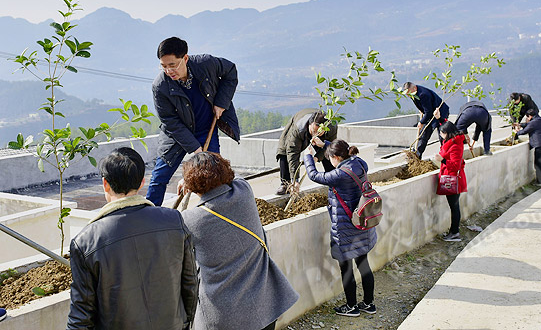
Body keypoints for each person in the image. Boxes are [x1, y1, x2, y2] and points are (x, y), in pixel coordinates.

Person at [67, 147, 198, 330]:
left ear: (105, 184)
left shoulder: (86, 242)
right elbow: (191, 286)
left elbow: (81, 316)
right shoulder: (174, 221)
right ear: (142, 182)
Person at [180, 152, 299, 330]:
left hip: (223, 316)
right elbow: (235, 178)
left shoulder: (191, 220)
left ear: (192, 185)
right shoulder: (244, 192)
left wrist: (190, 184)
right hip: (264, 306)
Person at [147, 36, 240, 206]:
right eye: (164, 66)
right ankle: (149, 216)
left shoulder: (206, 64)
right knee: (159, 177)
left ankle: (218, 209)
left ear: (185, 58)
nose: (169, 71)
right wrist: (197, 150)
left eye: (173, 65)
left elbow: (230, 72)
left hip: (206, 129)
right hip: (176, 134)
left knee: (213, 174)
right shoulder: (160, 86)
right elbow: (169, 121)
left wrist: (221, 103)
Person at [304, 140, 377, 317]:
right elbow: (343, 151)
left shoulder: (340, 175)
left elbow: (314, 175)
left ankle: (352, 307)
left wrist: (307, 156)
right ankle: (368, 304)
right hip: (362, 223)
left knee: (346, 269)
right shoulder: (359, 163)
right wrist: (325, 144)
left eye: (331, 158)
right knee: (364, 264)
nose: (331, 161)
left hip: (345, 230)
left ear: (337, 157)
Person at [275, 108, 337, 195]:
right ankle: (286, 184)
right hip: (298, 126)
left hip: (322, 139)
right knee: (284, 151)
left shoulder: (331, 127)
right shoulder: (298, 129)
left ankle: (333, 179)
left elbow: (330, 146)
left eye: (319, 132)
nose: (315, 134)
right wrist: (295, 180)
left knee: (328, 151)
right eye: (314, 131)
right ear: (310, 124)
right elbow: (292, 153)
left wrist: (317, 158)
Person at [434, 121, 467, 242]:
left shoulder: (455, 145)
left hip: (452, 179)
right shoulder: (450, 142)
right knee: (454, 206)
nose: (441, 135)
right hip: (449, 177)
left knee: (454, 206)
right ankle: (453, 232)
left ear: (447, 133)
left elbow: (455, 166)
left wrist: (442, 160)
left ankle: (455, 233)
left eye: (442, 133)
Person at [402, 82, 450, 159]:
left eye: (409, 93)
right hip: (430, 113)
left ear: (414, 88)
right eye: (407, 94)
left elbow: (428, 112)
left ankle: (446, 156)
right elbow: (425, 108)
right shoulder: (413, 94)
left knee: (442, 134)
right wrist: (422, 110)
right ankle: (416, 156)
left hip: (440, 112)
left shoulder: (423, 94)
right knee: (424, 134)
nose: (408, 95)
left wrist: (421, 122)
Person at [516, 109, 541, 186]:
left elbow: (525, 131)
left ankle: (540, 182)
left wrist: (517, 133)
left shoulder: (533, 122)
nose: (527, 119)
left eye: (527, 117)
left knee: (538, 164)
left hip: (540, 145)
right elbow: (529, 125)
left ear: (530, 116)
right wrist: (520, 125)